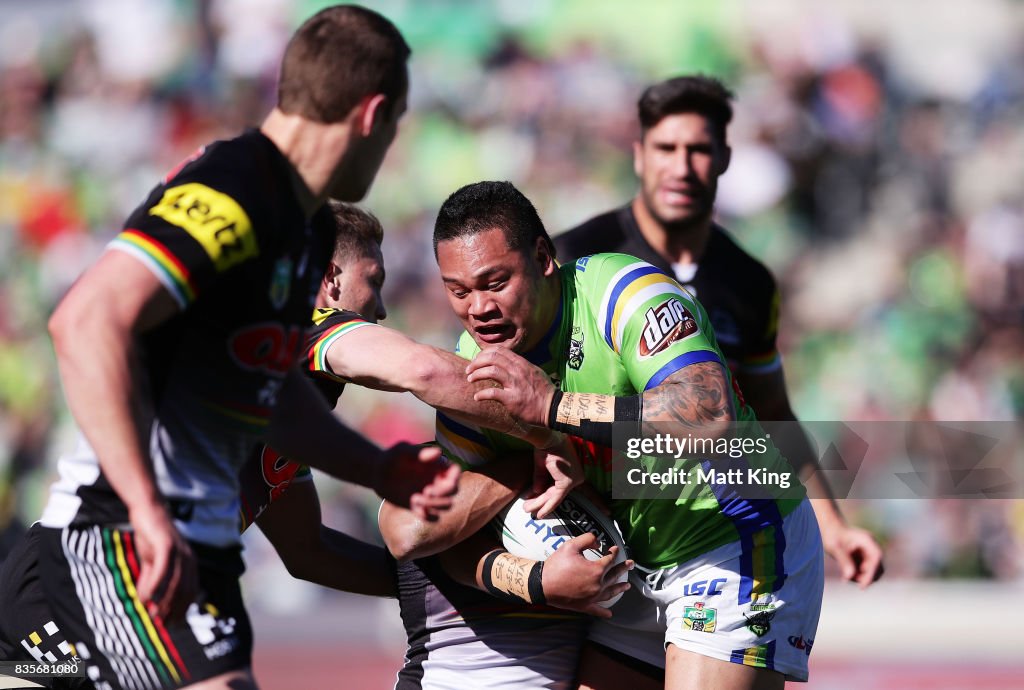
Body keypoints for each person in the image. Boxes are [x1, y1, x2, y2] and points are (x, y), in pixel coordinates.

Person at [3, 7, 462, 690]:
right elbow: (86, 320)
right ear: (373, 114)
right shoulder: (236, 184)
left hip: (189, 557)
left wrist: (377, 469)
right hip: (121, 542)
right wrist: (147, 509)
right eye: (396, 126)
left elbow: (269, 398)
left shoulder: (301, 234)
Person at [0, 200, 619, 689]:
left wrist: (479, 578)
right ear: (329, 280)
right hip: (88, 584)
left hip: (95, 588)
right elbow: (424, 373)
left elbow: (309, 553)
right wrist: (552, 431)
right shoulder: (303, 332)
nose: (378, 308)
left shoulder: (284, 398)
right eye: (371, 283)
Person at [385, 180, 824, 689]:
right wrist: (534, 579)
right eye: (458, 291)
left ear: (544, 258)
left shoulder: (624, 293)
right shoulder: (474, 368)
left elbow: (709, 414)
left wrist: (551, 407)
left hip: (737, 540)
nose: (478, 308)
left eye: (495, 282)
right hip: (638, 572)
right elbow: (434, 537)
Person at [555, 74, 885, 599]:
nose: (681, 167)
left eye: (699, 150)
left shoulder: (749, 282)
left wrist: (834, 527)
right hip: (603, 538)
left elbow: (774, 412)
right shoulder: (577, 256)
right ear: (639, 155)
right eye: (666, 148)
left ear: (725, 158)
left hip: (716, 544)